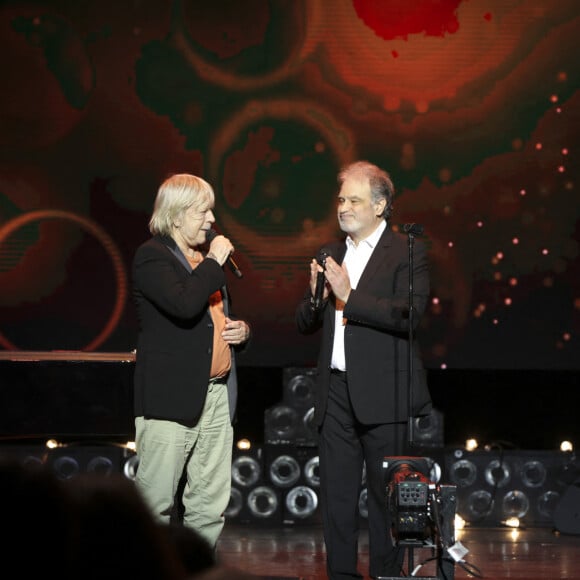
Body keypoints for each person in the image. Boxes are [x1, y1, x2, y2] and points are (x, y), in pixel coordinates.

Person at [295, 160, 433, 579]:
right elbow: (304, 322)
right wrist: (318, 296)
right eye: (341, 198)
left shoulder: (406, 251)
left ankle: (386, 575)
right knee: (336, 498)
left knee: (384, 498)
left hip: (383, 394)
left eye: (354, 199)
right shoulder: (331, 252)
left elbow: (411, 314)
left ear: (380, 205)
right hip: (335, 393)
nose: (343, 206)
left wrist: (348, 296)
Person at [132, 173, 251, 551]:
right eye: (203, 210)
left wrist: (242, 332)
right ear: (178, 215)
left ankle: (199, 571)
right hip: (172, 399)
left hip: (215, 395)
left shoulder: (204, 262)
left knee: (208, 504)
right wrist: (215, 260)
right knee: (155, 505)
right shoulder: (153, 255)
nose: (211, 219)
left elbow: (211, 321)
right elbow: (184, 305)